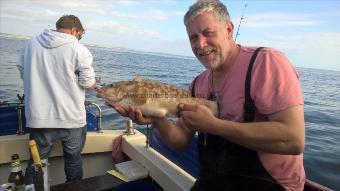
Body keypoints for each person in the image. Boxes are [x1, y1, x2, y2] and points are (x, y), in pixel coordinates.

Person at [113, 0, 305, 190]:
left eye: (208, 33)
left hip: (271, 185)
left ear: (229, 30)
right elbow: (180, 142)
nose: (201, 44)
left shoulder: (265, 63)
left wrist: (214, 126)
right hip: (214, 181)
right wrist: (156, 117)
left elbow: (294, 139)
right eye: (193, 37)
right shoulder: (199, 83)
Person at [18, 15, 96, 184]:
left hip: (39, 118)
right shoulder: (78, 49)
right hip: (71, 117)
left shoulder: (32, 44)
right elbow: (89, 84)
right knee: (73, 160)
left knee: (37, 163)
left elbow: (22, 69)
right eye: (79, 35)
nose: (78, 38)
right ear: (74, 30)